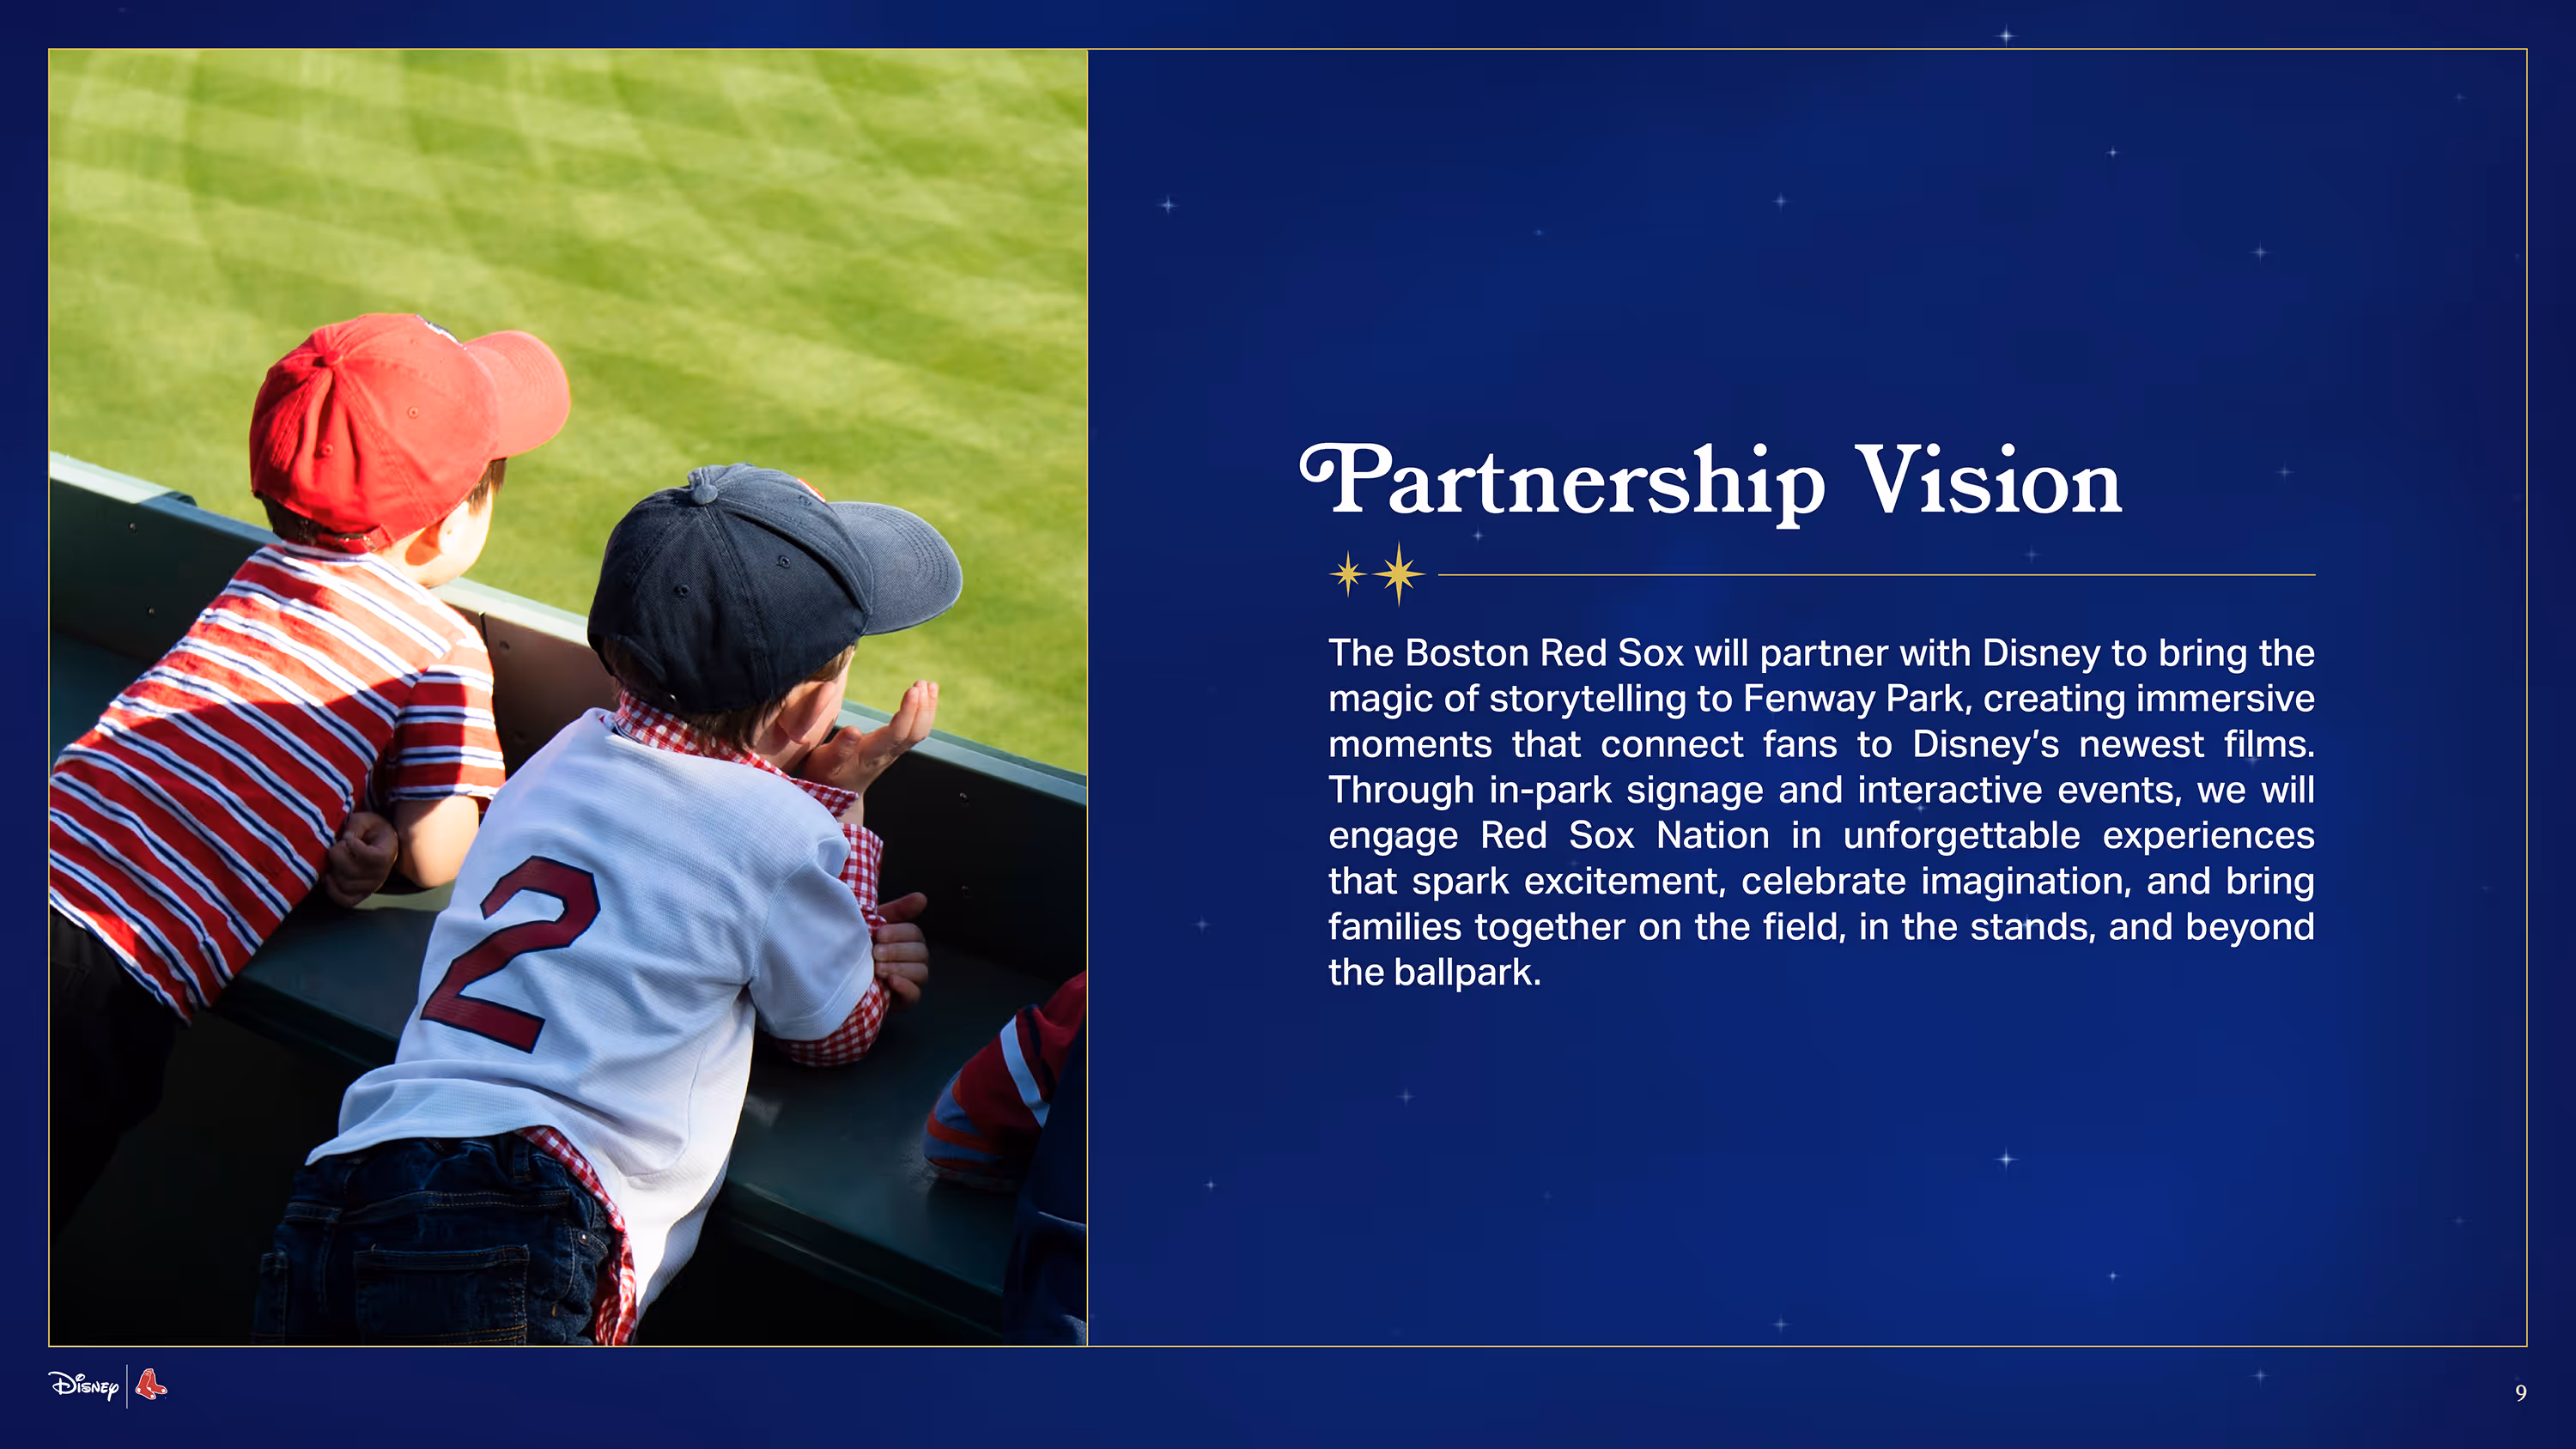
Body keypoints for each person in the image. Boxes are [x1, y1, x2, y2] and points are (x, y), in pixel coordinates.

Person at [254, 463, 962, 1345]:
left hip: (352, 1174)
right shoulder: (782, 829)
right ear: (808, 706)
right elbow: (834, 1030)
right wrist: (844, 815)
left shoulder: (561, 753)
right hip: (527, 1210)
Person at [49, 312, 570, 1234]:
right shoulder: (440, 642)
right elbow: (437, 849)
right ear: (448, 524)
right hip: (109, 980)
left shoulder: (254, 575)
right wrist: (383, 841)